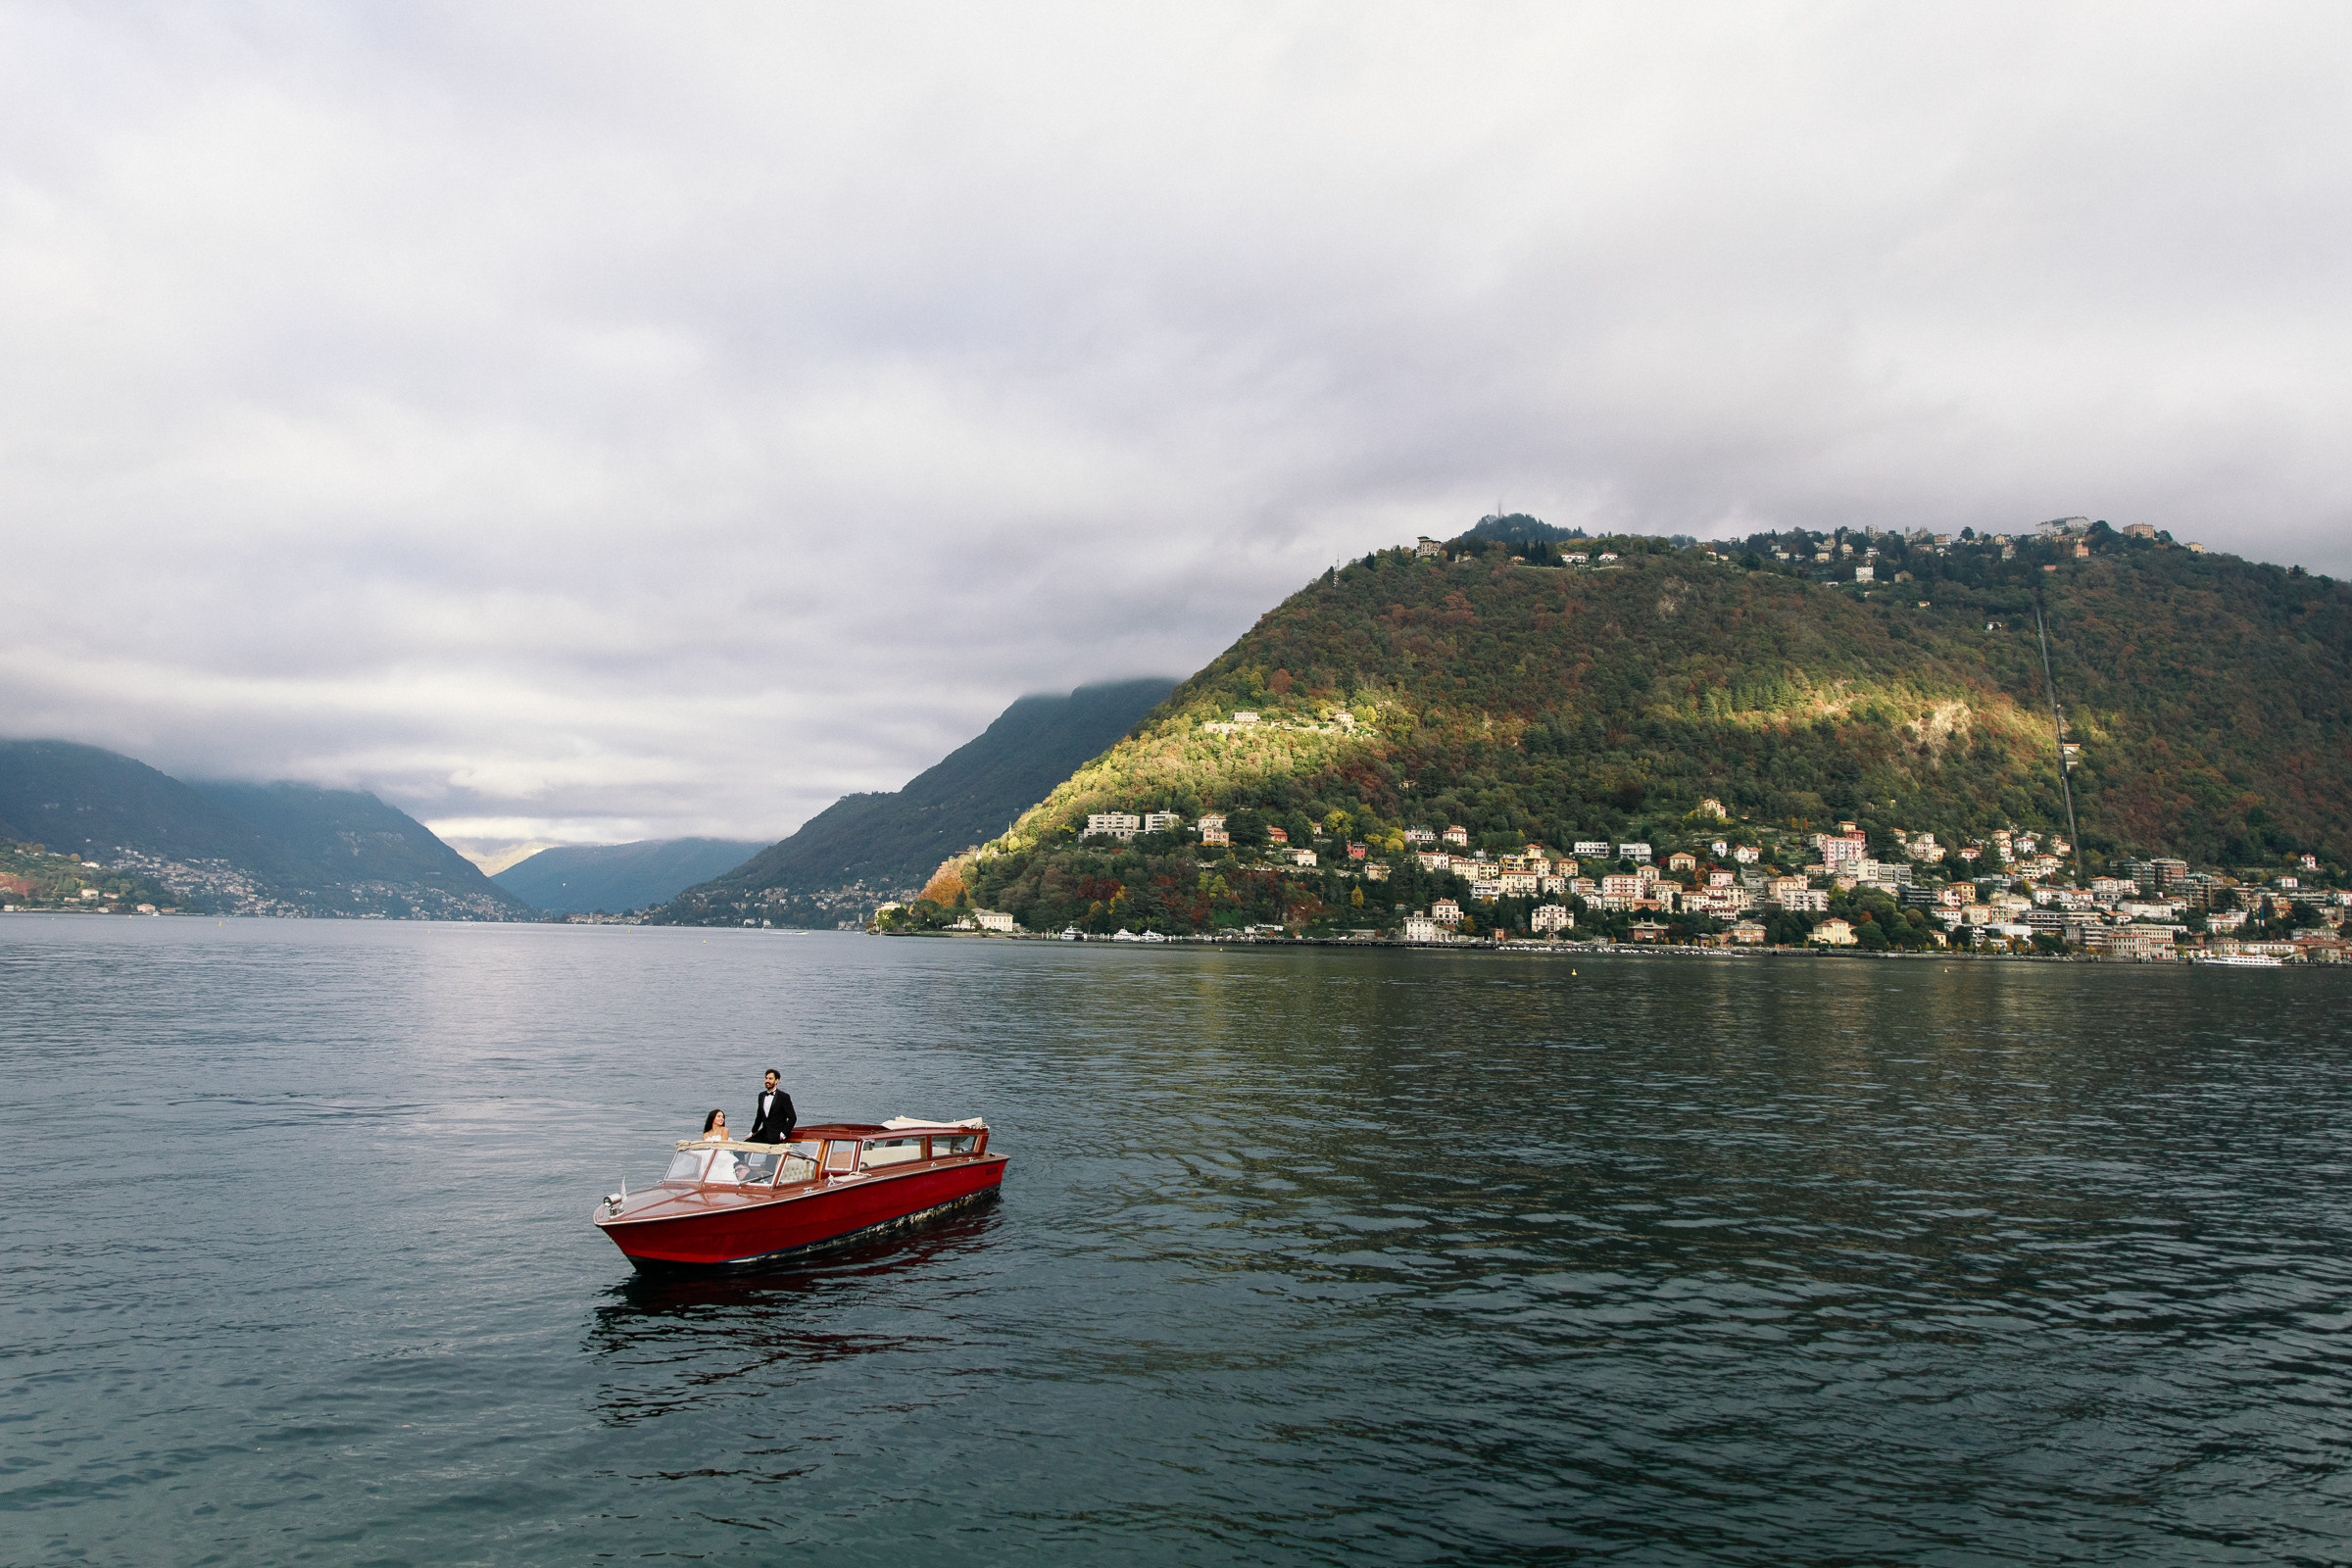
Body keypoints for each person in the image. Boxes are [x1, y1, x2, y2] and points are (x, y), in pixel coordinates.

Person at [750, 1070, 796, 1145]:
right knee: (741, 1147)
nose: (767, 1081)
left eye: (770, 1079)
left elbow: (792, 1118)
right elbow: (759, 1117)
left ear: (776, 1080)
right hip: (763, 1134)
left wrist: (783, 1134)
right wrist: (752, 1132)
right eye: (766, 1078)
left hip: (776, 1136)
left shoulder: (784, 1096)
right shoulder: (761, 1095)